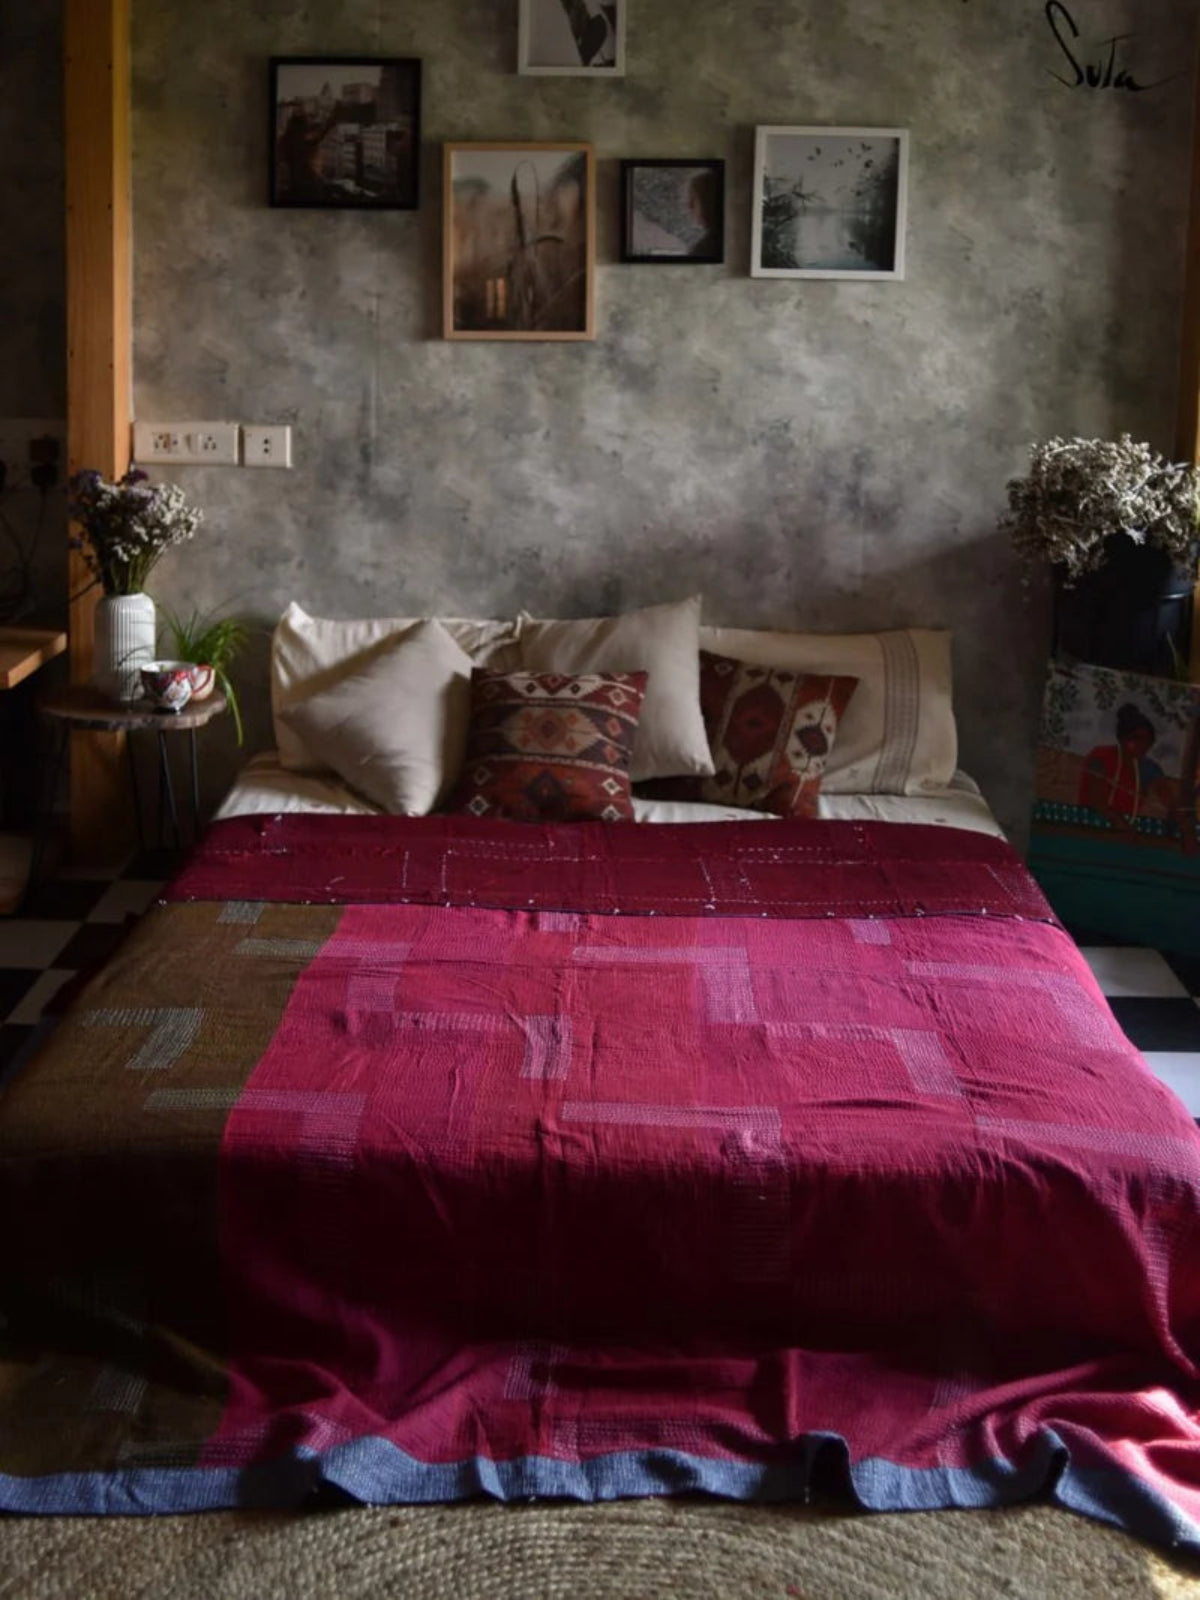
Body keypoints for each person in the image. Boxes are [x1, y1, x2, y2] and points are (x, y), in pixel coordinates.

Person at [1079, 703, 1174, 832]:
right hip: (1090, 828)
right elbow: (1096, 800)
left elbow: (1168, 798)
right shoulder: (1099, 756)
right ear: (1122, 738)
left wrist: (1184, 826)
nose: (1143, 745)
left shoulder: (1148, 768)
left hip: (1122, 833)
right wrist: (1118, 821)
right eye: (1136, 739)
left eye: (1148, 741)